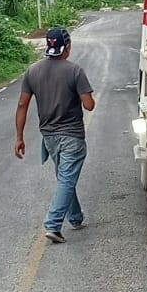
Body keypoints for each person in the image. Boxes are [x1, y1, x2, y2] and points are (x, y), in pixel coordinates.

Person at [14, 26, 95, 244]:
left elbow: (22, 104)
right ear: (67, 47)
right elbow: (89, 105)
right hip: (72, 136)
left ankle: (76, 218)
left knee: (64, 178)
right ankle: (53, 224)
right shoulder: (75, 71)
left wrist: (19, 137)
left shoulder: (33, 71)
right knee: (67, 179)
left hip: (48, 137)